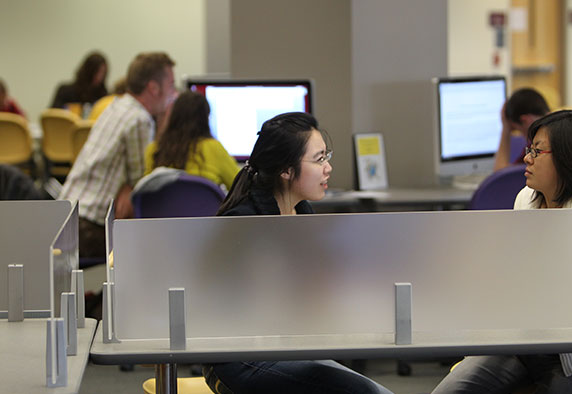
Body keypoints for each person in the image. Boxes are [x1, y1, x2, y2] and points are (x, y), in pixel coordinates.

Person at [431, 110, 572, 394]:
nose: (526, 158)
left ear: (569, 156)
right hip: (520, 342)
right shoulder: (527, 198)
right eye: (528, 149)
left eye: (537, 150)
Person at [205, 112, 392, 394]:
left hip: (283, 348)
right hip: (239, 357)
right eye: (319, 159)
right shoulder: (246, 224)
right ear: (286, 170)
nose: (328, 167)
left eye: (326, 156)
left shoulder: (300, 212)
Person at [59, 52, 176, 258]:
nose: (173, 93)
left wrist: (127, 187)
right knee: (158, 246)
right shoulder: (140, 120)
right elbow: (143, 185)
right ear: (153, 88)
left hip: (67, 216)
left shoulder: (116, 106)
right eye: (171, 85)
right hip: (90, 226)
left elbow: (131, 183)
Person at [144, 91, 240, 188]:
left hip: (164, 204)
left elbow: (146, 193)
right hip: (204, 203)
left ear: (173, 116)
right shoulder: (214, 149)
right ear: (205, 119)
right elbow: (241, 187)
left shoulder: (154, 149)